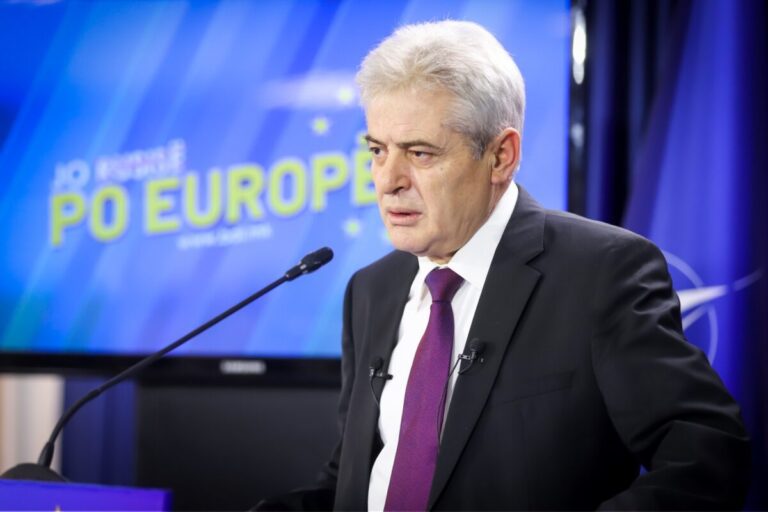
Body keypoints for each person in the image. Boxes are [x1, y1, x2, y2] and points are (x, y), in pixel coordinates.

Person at [260, 20, 750, 511]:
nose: (387, 181)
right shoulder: (371, 289)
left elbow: (707, 455)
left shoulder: (602, 273)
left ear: (501, 156)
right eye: (377, 151)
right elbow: (356, 476)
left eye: (420, 153)